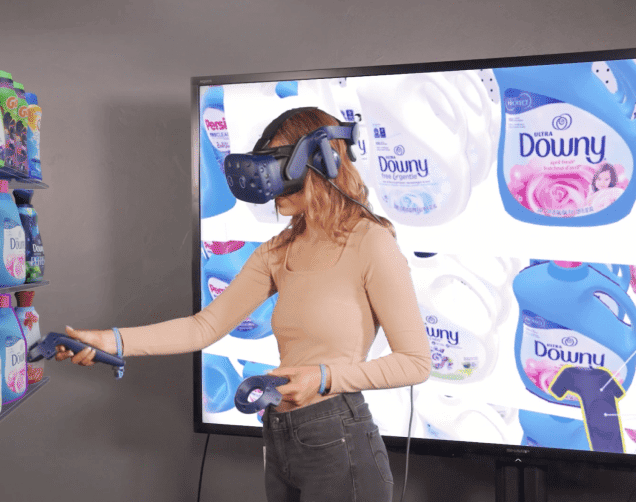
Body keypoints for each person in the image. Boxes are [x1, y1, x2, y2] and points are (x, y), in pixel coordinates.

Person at [56, 107, 430, 502]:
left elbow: (416, 361)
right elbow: (204, 327)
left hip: (338, 438)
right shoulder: (279, 250)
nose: (264, 183)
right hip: (280, 434)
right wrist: (110, 340)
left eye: (275, 164)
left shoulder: (370, 241)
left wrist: (323, 378)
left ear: (319, 160)